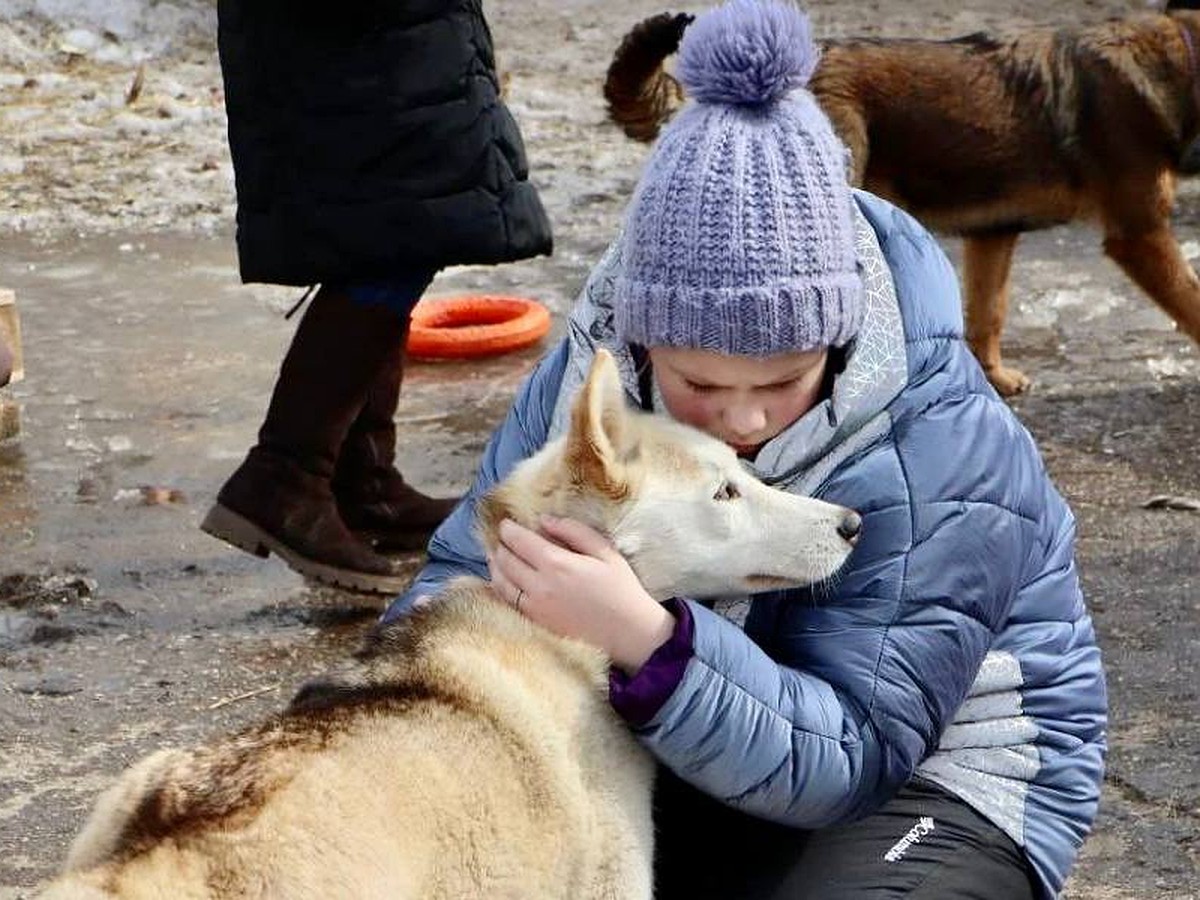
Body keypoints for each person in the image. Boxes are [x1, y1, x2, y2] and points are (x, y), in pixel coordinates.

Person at [382, 0, 1107, 896]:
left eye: (780, 384)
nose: (746, 421)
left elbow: (856, 753)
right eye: (702, 387)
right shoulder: (594, 385)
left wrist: (646, 640)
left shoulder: (941, 439)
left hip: (931, 779)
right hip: (686, 733)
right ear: (645, 344)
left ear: (839, 341)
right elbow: (460, 572)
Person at [201, 1, 553, 594]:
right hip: (361, 44)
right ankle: (285, 474)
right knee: (400, 235)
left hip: (375, 42)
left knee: (387, 238)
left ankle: (360, 480)